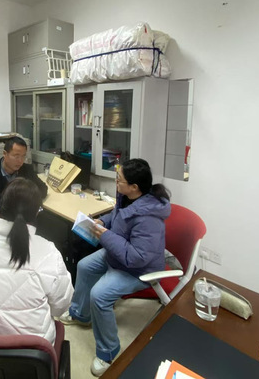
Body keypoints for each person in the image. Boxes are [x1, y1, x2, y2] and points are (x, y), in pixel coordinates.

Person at [59, 158, 171, 376]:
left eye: (119, 180)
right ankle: (81, 314)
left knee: (99, 295)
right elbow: (118, 216)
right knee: (84, 266)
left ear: (134, 186)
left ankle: (108, 352)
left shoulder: (149, 219)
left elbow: (137, 257)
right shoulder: (127, 197)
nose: (116, 182)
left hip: (138, 269)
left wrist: (106, 236)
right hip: (118, 254)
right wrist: (104, 222)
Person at [0, 178, 74, 344]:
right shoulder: (49, 253)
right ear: (36, 213)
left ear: (0, 207)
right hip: (31, 354)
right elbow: (61, 306)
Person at [0, 136, 47, 232]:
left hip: (22, 223)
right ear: (5, 154)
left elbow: (43, 189)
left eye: (23, 156)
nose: (20, 161)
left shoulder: (27, 170)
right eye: (16, 156)